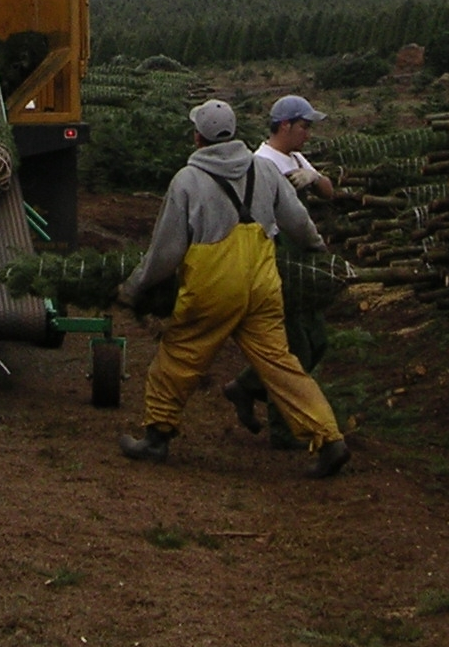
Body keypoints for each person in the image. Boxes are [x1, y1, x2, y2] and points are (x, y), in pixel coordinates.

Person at [115, 99, 350, 478]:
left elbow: (166, 251)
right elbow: (298, 221)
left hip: (213, 287)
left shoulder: (187, 181)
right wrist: (316, 249)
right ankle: (330, 440)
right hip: (261, 282)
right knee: (281, 364)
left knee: (177, 358)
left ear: (197, 137)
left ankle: (156, 440)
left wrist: (136, 285)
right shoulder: (263, 170)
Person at [224, 95, 339, 449]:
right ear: (285, 125)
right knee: (293, 346)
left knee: (317, 339)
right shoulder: (261, 162)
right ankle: (284, 429)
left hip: (300, 255)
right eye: (304, 126)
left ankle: (245, 387)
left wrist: (314, 176)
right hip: (276, 256)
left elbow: (329, 192)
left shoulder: (296, 157)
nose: (308, 133)